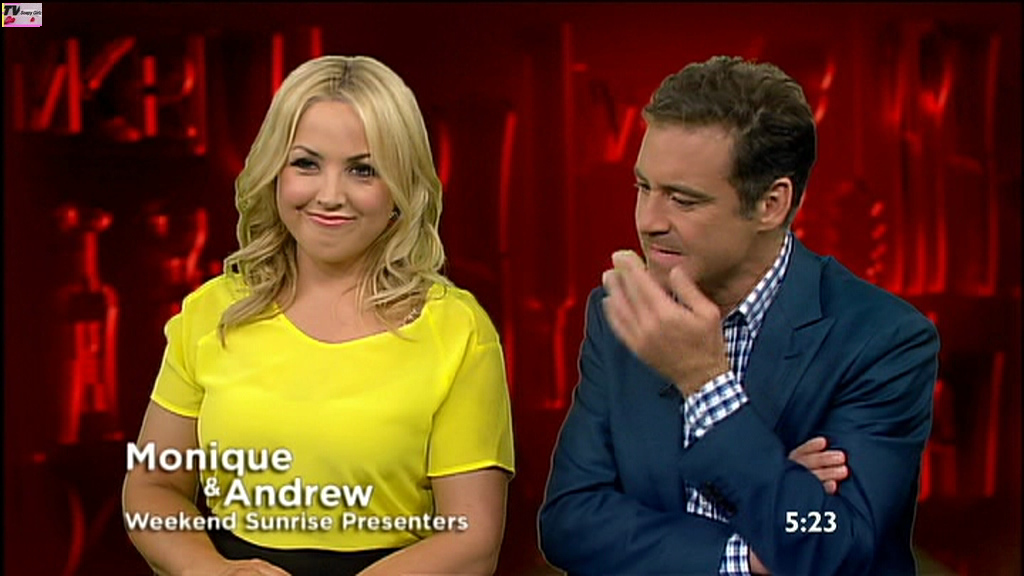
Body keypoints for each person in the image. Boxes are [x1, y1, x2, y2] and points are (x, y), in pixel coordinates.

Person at [539, 55, 939, 575]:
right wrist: (747, 549)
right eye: (643, 188)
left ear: (771, 204)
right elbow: (569, 521)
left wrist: (706, 384)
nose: (649, 220)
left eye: (683, 200)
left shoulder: (883, 339)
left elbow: (834, 547)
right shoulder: (625, 311)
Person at [123, 55, 515, 576]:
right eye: (306, 164)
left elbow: (472, 540)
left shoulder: (458, 331)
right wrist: (215, 572)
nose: (330, 196)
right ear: (275, 174)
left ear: (401, 188)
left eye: (363, 170)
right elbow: (152, 487)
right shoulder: (213, 312)